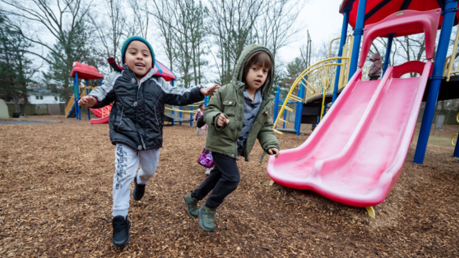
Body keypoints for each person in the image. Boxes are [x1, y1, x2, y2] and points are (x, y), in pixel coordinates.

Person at [77, 36, 218, 247]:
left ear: (152, 61)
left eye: (145, 54)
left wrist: (200, 91)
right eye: (133, 52)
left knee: (149, 170)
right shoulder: (118, 78)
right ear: (125, 58)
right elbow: (102, 92)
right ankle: (119, 219)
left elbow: (178, 94)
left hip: (150, 137)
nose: (140, 57)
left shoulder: (158, 83)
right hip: (124, 135)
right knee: (122, 173)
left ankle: (141, 181)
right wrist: (93, 100)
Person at [183, 44, 280, 232]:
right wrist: (216, 119)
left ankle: (193, 198)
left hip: (236, 147)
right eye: (255, 69)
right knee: (232, 178)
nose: (260, 74)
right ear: (244, 68)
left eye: (265, 71)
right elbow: (209, 110)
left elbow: (265, 127)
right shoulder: (226, 91)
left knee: (217, 176)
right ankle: (209, 208)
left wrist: (270, 144)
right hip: (220, 143)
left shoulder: (266, 101)